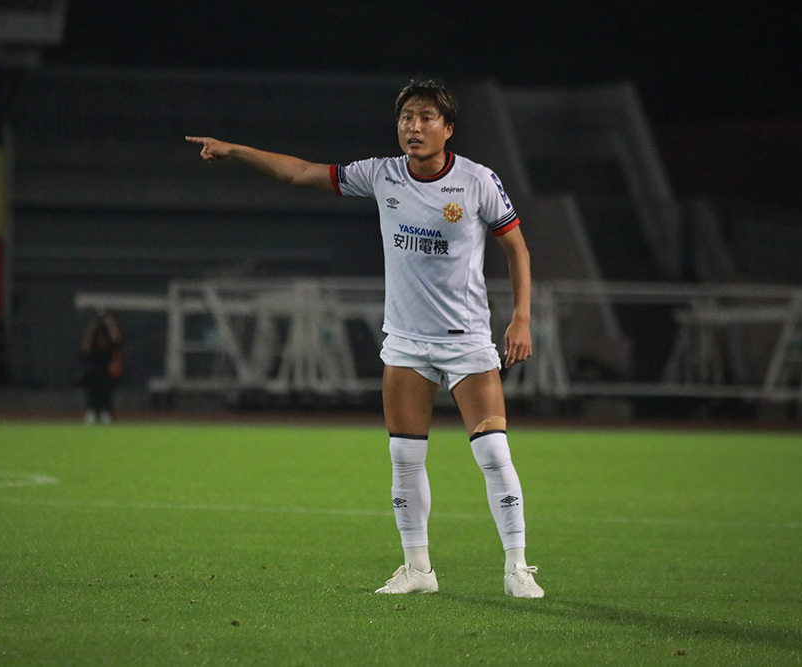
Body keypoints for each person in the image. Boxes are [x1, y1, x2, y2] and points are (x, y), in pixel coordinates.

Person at [186, 79, 543, 598]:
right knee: (405, 458)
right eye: (406, 117)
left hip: (465, 339)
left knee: (493, 453)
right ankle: (418, 569)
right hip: (406, 343)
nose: (413, 127)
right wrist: (236, 150)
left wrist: (521, 318)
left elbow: (517, 249)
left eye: (425, 117)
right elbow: (302, 172)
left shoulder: (477, 181)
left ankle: (517, 568)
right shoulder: (382, 174)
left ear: (448, 128)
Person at [79, 311, 122, 424]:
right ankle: (91, 411)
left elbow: (116, 341)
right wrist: (91, 326)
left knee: (106, 391)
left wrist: (110, 323)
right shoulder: (93, 336)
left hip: (106, 368)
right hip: (93, 368)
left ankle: (105, 412)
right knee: (92, 391)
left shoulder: (109, 335)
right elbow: (85, 347)